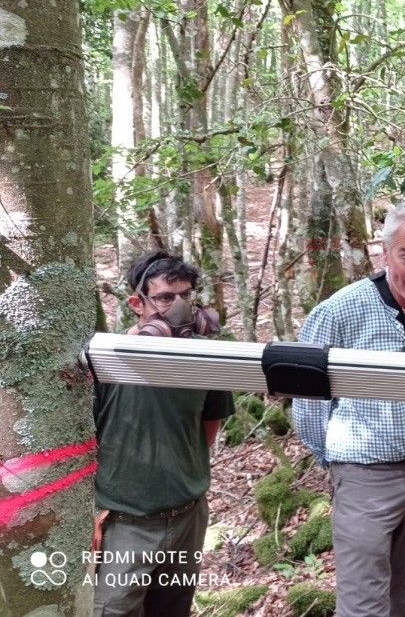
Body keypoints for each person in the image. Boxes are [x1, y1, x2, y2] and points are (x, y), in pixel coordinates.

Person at [292, 197, 405, 616]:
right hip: (364, 476)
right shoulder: (338, 312)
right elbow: (308, 404)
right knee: (363, 604)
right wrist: (335, 462)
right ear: (385, 252)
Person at [92, 250, 234, 616]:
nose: (180, 308)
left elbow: (209, 425)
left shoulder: (206, 358)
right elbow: (80, 445)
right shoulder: (106, 359)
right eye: (166, 298)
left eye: (187, 296)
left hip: (188, 516)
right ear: (137, 304)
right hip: (123, 524)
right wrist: (91, 515)